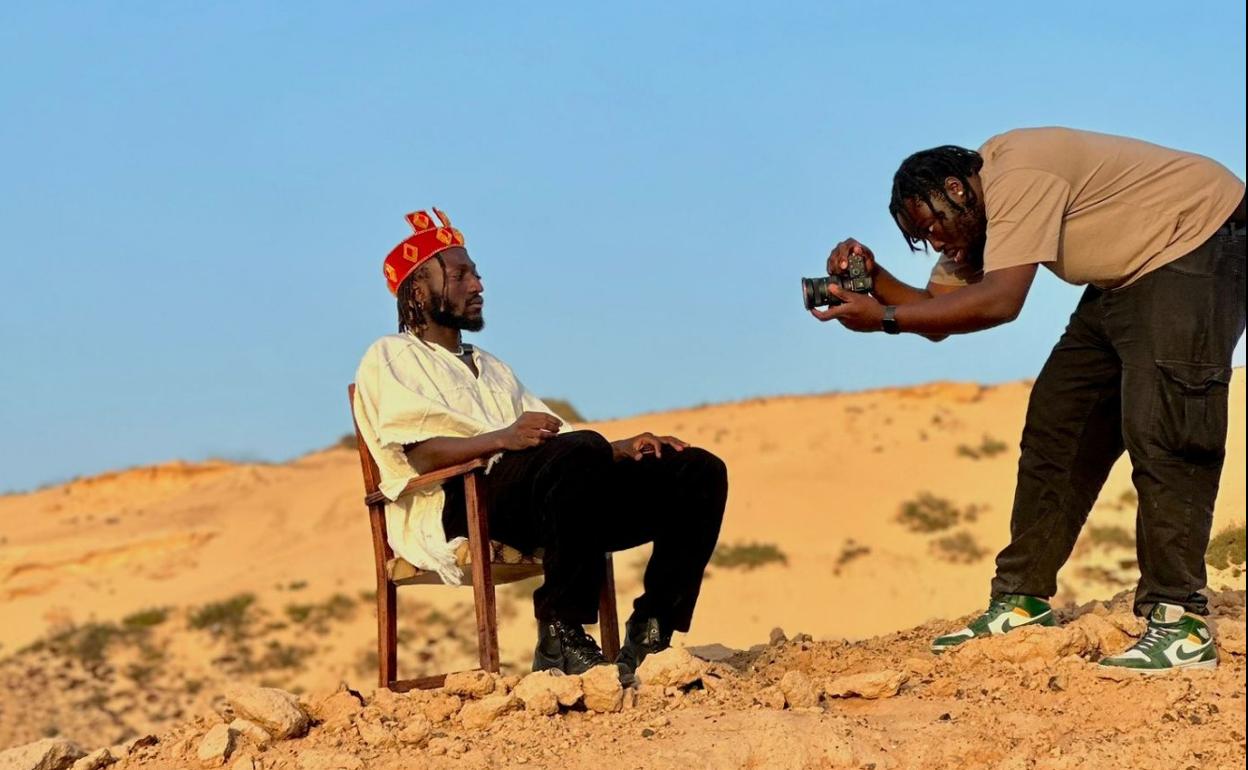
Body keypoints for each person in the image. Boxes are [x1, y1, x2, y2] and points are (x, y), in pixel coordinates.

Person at [812, 127, 1245, 673]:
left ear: (956, 187)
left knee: (1167, 430)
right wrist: (875, 283)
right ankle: (1021, 600)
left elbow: (999, 302)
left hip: (1198, 239)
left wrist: (887, 319)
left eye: (934, 227)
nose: (937, 244)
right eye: (921, 239)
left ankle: (1178, 620)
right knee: (1058, 423)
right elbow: (937, 310)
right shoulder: (978, 218)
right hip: (1124, 278)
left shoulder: (1017, 175)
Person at [353, 208, 728, 677]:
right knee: (579, 454)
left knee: (695, 470)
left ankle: (653, 632)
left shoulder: (490, 365)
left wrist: (623, 446)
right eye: (461, 274)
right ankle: (560, 634)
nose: (478, 286)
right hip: (460, 501)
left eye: (477, 273)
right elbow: (422, 454)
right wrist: (505, 438)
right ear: (418, 288)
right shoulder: (390, 355)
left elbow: (559, 441)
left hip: (545, 496)